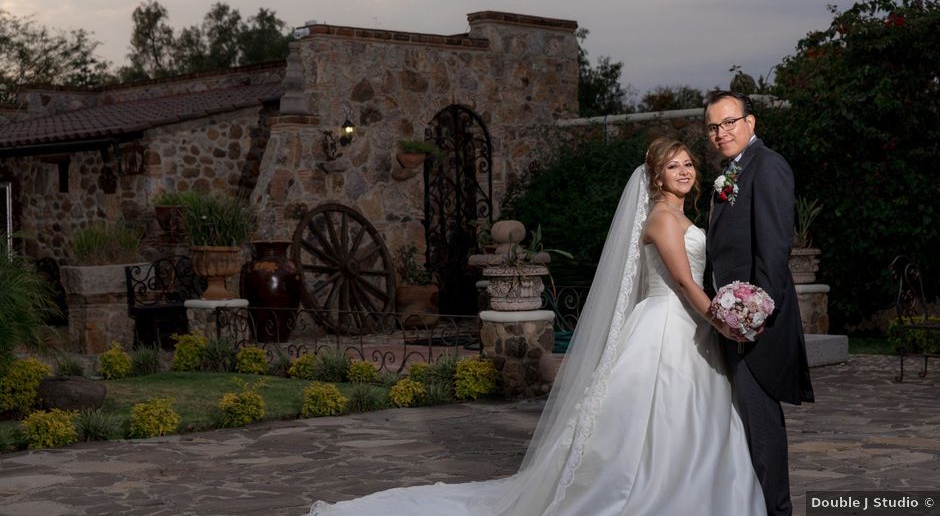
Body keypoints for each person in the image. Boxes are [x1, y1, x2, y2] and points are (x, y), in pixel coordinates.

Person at [308, 138, 765, 516]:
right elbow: (685, 283)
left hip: (690, 327)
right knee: (658, 416)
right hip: (668, 324)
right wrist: (724, 322)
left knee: (692, 415)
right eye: (673, 165)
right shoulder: (663, 220)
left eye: (688, 164)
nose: (684, 171)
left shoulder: (683, 215)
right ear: (656, 176)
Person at [704, 90, 815, 516]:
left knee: (761, 423)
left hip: (755, 322)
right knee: (746, 422)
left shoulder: (767, 166)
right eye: (714, 126)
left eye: (729, 122)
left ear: (751, 122)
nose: (721, 132)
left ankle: (777, 511)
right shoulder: (732, 172)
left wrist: (755, 315)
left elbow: (773, 249)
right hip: (732, 320)